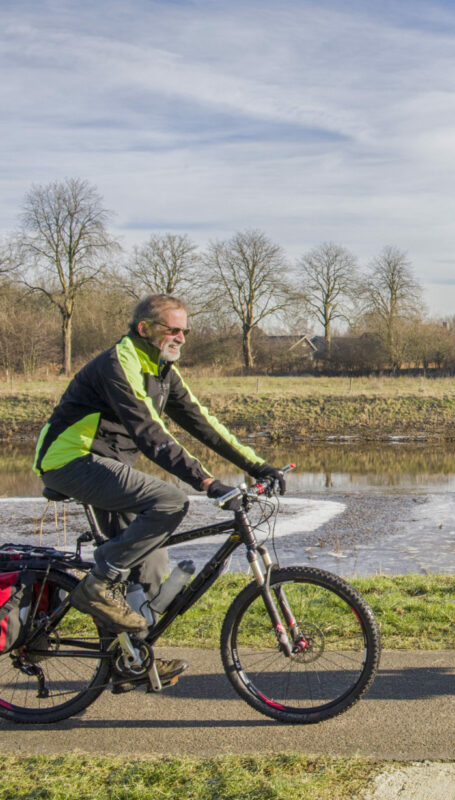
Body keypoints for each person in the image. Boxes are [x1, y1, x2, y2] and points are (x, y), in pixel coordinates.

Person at [33, 294, 286, 691]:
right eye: (173, 329)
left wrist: (257, 466)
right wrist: (205, 482)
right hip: (71, 460)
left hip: (112, 466)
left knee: (152, 566)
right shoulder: (121, 363)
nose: (181, 338)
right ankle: (98, 585)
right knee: (170, 501)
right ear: (144, 330)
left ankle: (128, 659)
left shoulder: (163, 369)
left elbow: (204, 424)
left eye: (184, 330)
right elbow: (150, 434)